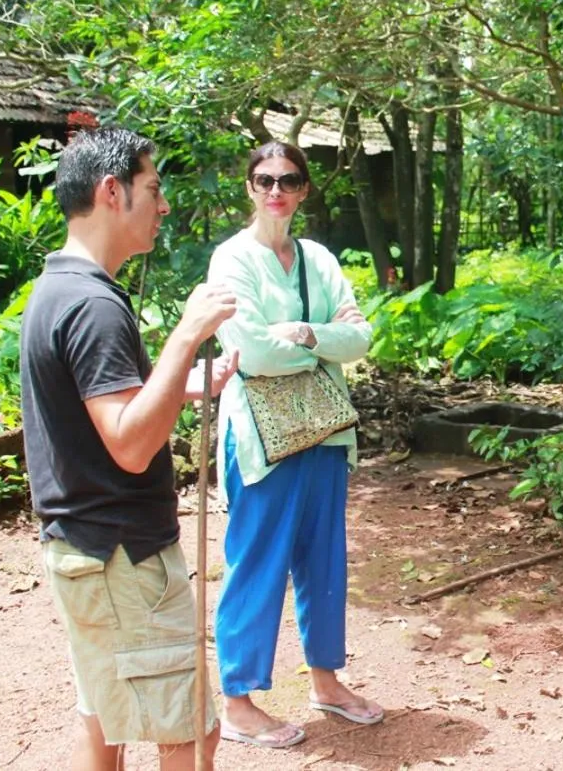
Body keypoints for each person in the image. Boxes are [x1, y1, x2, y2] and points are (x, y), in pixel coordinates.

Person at [21, 127, 240, 771]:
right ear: (112, 192)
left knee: (105, 720)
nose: (164, 204)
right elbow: (131, 446)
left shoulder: (58, 288)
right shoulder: (93, 306)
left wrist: (182, 384)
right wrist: (185, 337)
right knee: (190, 734)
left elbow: (102, 412)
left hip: (83, 549)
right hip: (122, 559)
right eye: (153, 188)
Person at [208, 141, 379, 749]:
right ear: (248, 187)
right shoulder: (231, 260)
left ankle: (327, 680)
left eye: (287, 180)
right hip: (260, 434)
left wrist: (305, 332)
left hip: (325, 430)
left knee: (323, 556)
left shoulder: (318, 258)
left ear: (304, 188)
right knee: (257, 558)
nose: (275, 190)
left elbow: (361, 337)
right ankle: (237, 700)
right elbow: (249, 352)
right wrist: (323, 344)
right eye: (263, 180)